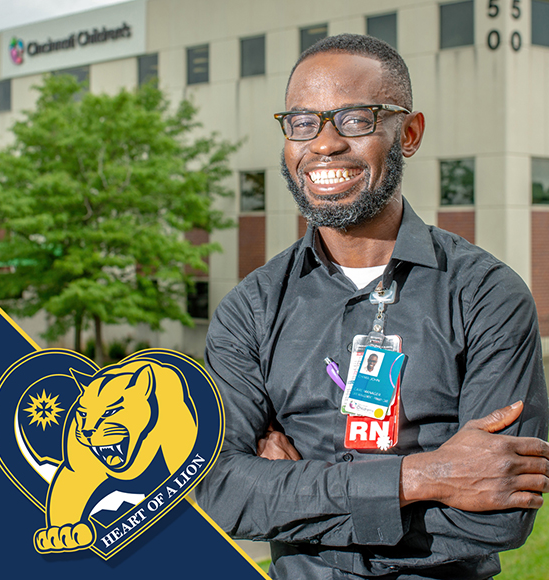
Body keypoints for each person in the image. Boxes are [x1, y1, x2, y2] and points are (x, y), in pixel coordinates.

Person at [196, 34, 549, 580]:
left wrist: (295, 495)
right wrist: (422, 477)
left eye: (355, 120)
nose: (324, 144)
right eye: (302, 122)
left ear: (407, 134)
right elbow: (217, 492)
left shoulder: (486, 295)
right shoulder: (252, 308)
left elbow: (499, 518)